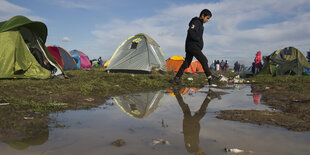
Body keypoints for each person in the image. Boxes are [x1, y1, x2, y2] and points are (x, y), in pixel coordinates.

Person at [174, 9, 213, 85]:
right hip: (192, 46)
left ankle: (177, 78)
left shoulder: (201, 25)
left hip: (192, 46)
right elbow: (190, 32)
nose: (207, 20)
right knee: (204, 60)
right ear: (202, 16)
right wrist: (198, 41)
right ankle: (210, 78)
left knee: (187, 63)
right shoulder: (196, 22)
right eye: (207, 18)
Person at [173, 88, 212, 155]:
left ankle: (209, 97)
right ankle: (176, 93)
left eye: (202, 152)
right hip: (189, 124)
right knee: (186, 109)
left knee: (201, 113)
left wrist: (194, 123)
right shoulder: (193, 146)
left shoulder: (192, 147)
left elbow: (189, 135)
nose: (202, 150)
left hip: (190, 124)